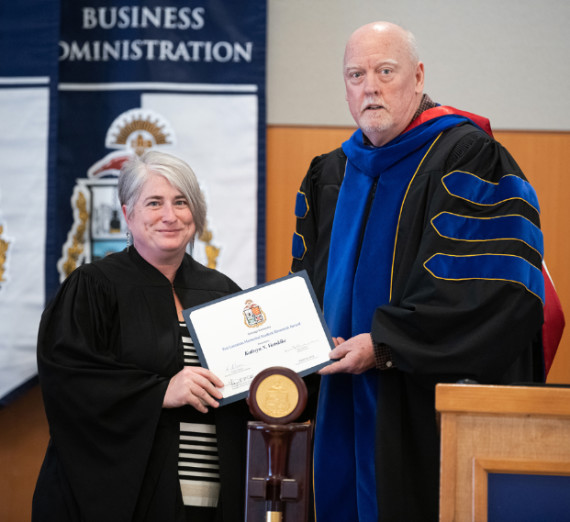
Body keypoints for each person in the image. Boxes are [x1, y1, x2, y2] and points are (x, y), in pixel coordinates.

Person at [290, 21, 551, 522]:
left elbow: (496, 294)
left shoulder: (470, 158)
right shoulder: (329, 174)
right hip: (338, 398)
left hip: (422, 408)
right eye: (356, 74)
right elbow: (306, 290)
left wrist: (385, 344)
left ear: (418, 76)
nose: (370, 86)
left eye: (386, 70)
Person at [33, 150, 250, 522]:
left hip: (212, 499)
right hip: (129, 501)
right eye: (154, 203)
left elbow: (253, 381)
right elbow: (69, 383)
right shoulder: (93, 286)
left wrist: (307, 362)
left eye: (181, 202)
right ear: (127, 214)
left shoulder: (223, 292)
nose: (170, 215)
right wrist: (159, 392)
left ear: (195, 213)